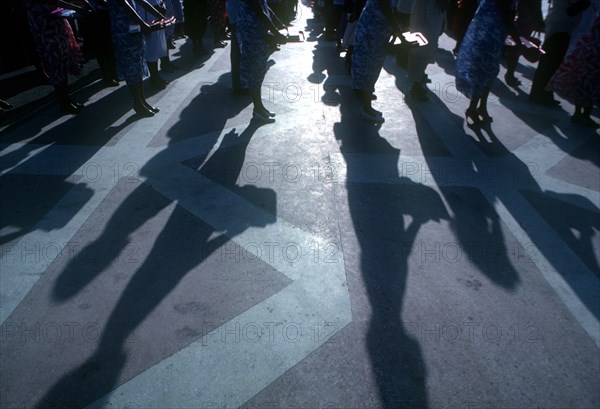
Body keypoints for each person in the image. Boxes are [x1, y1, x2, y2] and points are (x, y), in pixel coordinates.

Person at [455, 0, 520, 124]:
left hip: (493, 30)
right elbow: (505, 12)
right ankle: (473, 108)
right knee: (482, 70)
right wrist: (519, 42)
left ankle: (481, 107)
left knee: (490, 71)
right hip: (488, 31)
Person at [108, 0, 175, 117]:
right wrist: (143, 23)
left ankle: (142, 101)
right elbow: (124, 4)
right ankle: (137, 102)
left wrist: (160, 16)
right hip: (123, 28)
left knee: (138, 63)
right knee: (131, 66)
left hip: (134, 25)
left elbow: (141, 1)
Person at [23, 0, 85, 114]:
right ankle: (64, 102)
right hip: (46, 26)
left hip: (54, 23)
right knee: (56, 64)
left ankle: (67, 99)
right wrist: (77, 7)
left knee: (62, 63)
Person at [529, 0, 590, 106]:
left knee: (549, 64)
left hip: (559, 26)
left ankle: (542, 94)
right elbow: (571, 10)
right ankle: (540, 95)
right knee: (550, 64)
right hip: (560, 28)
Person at [235, 0, 286, 122]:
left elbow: (264, 6)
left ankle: (259, 108)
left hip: (256, 34)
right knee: (255, 75)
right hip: (253, 36)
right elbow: (259, 12)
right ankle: (258, 110)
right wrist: (277, 33)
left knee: (259, 73)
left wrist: (279, 24)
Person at [546, 11, 599, 127]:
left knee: (582, 80)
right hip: (594, 50)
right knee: (592, 83)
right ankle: (585, 114)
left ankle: (578, 112)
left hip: (585, 45)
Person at [351, 0, 401, 122]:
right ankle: (367, 109)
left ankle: (366, 103)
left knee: (370, 69)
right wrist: (397, 30)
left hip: (376, 30)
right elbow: (386, 8)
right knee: (369, 69)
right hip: (372, 32)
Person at [406, 0, 445, 101]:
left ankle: (419, 77)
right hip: (425, 9)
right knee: (421, 45)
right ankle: (416, 84)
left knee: (428, 45)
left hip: (433, 10)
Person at [503, 0, 544, 86]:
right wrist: (539, 21)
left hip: (523, 15)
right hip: (526, 17)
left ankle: (510, 74)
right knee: (517, 46)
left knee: (515, 44)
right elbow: (536, 4)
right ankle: (510, 75)